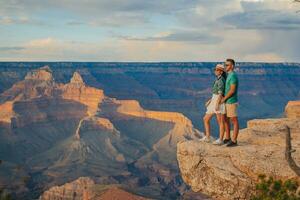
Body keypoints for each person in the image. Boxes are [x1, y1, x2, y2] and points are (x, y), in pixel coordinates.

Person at [200, 64, 226, 145]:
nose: (215, 71)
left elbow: (221, 94)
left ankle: (221, 139)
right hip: (214, 99)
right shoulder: (217, 79)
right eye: (215, 70)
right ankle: (208, 137)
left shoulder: (221, 80)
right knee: (205, 119)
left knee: (220, 121)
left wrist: (217, 104)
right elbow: (215, 93)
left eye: (217, 70)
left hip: (219, 101)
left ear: (221, 72)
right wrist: (210, 100)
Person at [221, 58, 239, 147]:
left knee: (234, 120)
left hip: (231, 101)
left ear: (232, 66)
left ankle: (234, 140)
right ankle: (227, 138)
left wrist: (224, 99)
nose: (225, 66)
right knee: (225, 119)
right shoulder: (228, 75)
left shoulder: (233, 76)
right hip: (227, 101)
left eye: (227, 65)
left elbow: (232, 90)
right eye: (225, 65)